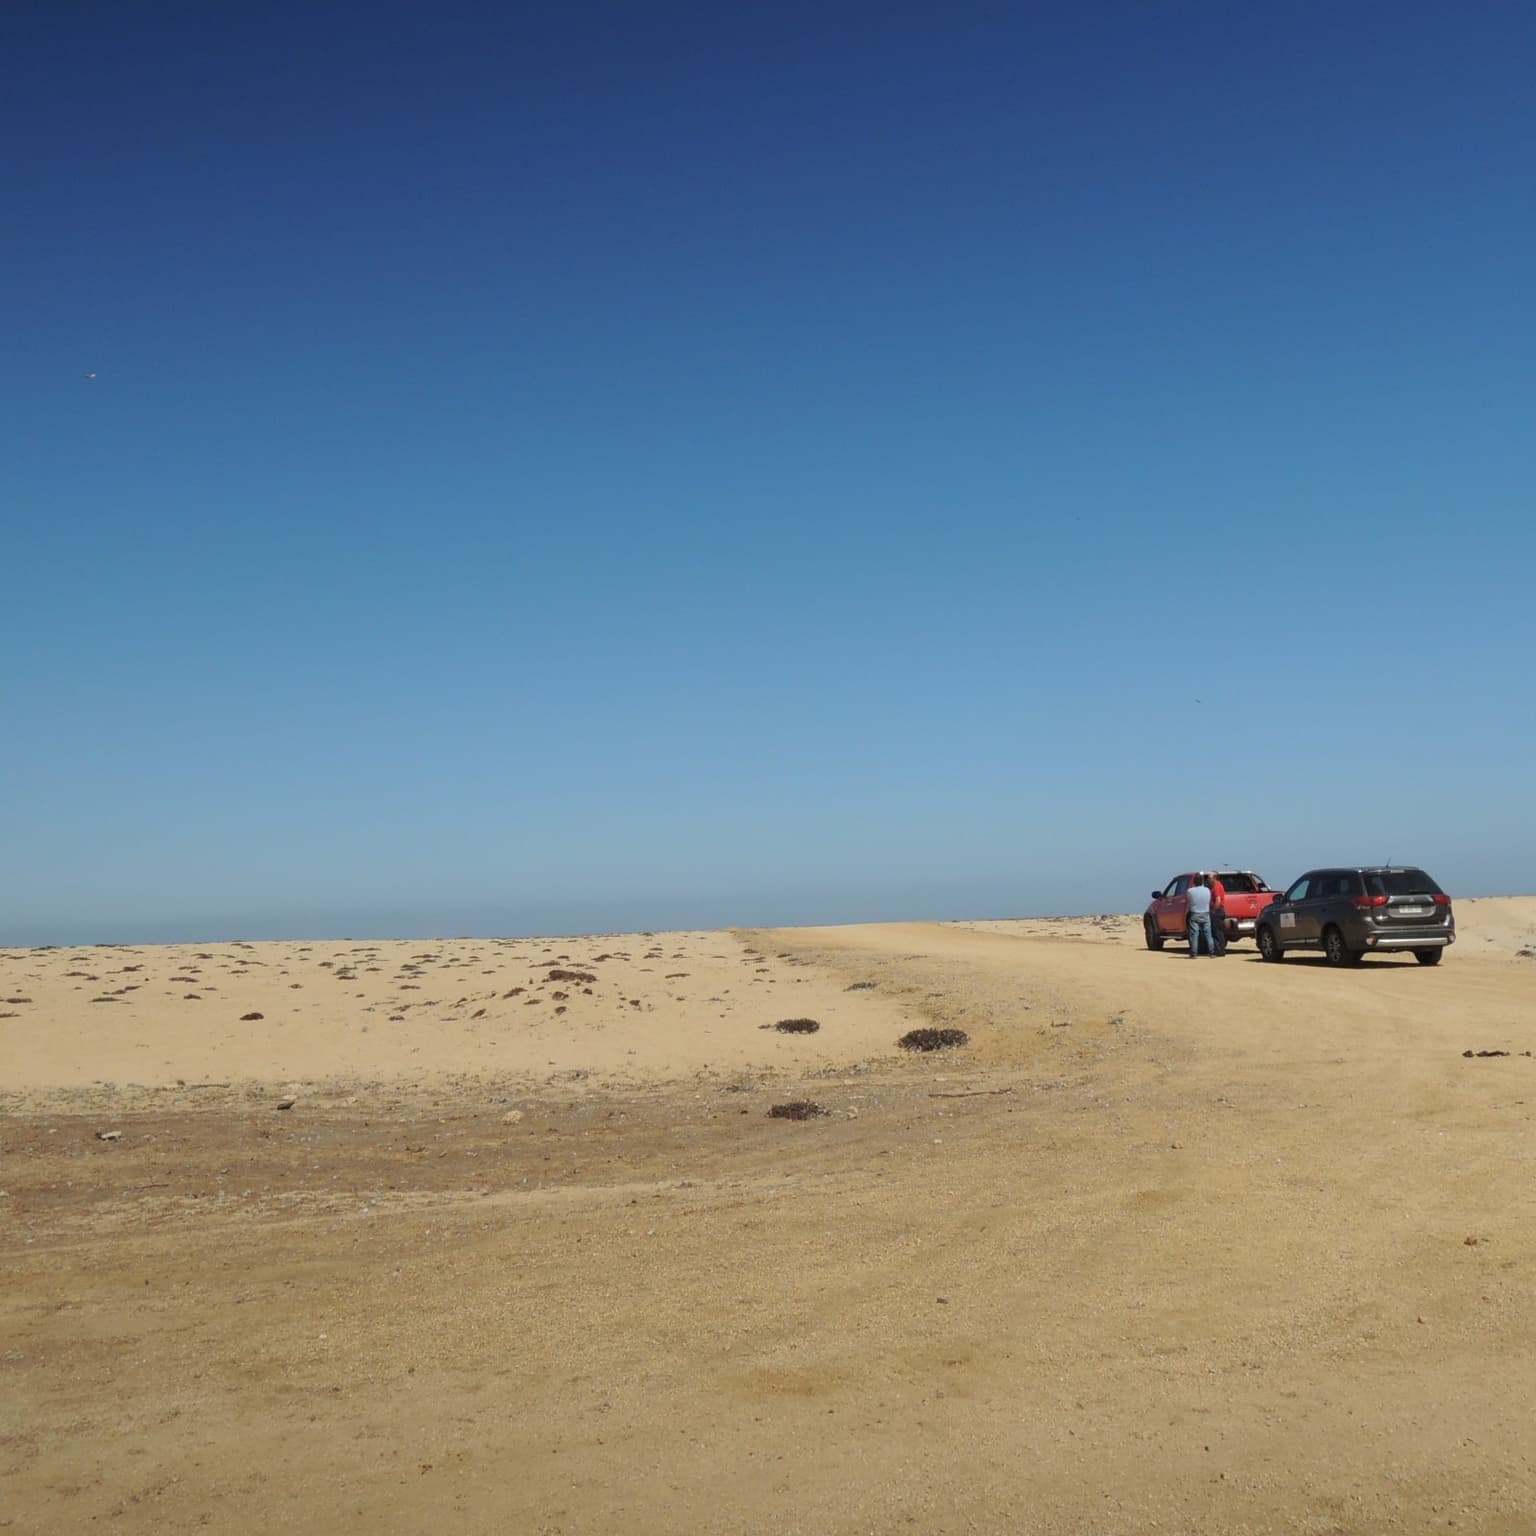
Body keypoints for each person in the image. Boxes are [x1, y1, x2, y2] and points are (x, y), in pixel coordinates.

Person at [1186, 874, 1214, 958]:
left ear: (1194, 882)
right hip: (1205, 913)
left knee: (1195, 934)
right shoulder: (1207, 890)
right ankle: (1212, 952)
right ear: (1202, 882)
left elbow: (1189, 901)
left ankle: (1194, 953)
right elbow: (1209, 901)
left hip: (1195, 913)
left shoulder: (1190, 891)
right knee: (1208, 934)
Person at [1209, 872, 1228, 956]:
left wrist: (1213, 910)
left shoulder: (1216, 886)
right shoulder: (1216, 886)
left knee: (1217, 932)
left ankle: (1220, 950)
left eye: (1210, 877)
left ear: (1215, 878)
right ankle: (1220, 949)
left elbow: (1218, 900)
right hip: (1219, 911)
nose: (1208, 879)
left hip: (1217, 911)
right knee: (1218, 931)